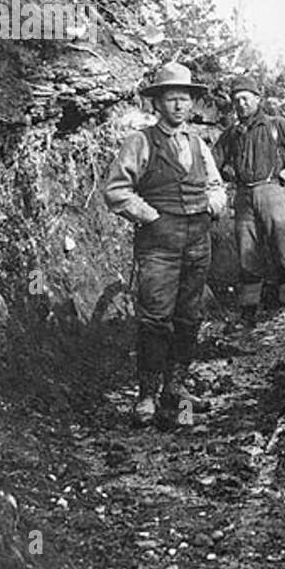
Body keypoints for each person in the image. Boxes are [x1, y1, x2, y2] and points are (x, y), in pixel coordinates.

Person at [103, 62, 227, 428]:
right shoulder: (140, 142)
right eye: (171, 99)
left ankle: (176, 386)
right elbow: (116, 191)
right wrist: (149, 215)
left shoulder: (199, 144)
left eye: (184, 99)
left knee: (189, 316)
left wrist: (216, 203)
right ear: (157, 104)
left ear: (192, 104)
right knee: (155, 318)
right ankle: (147, 394)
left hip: (197, 240)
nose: (178, 106)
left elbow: (216, 185)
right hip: (159, 243)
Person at [213, 75, 285, 337]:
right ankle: (248, 318)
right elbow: (212, 162)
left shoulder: (276, 126)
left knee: (284, 256)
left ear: (257, 99)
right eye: (236, 100)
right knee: (247, 258)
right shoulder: (231, 134)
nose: (241, 104)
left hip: (273, 193)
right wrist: (223, 175)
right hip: (244, 198)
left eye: (245, 98)